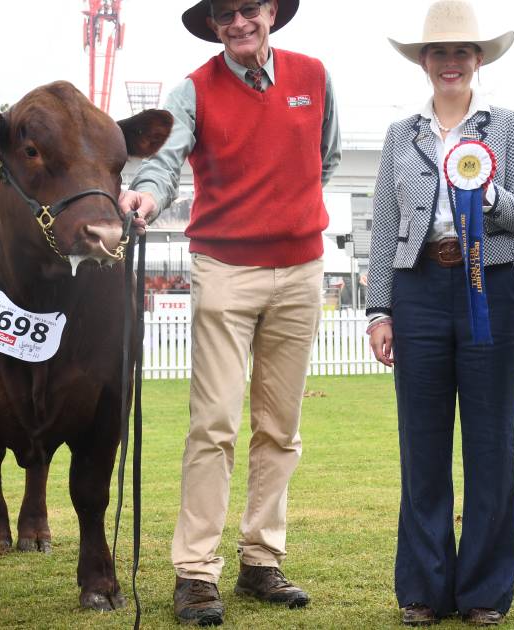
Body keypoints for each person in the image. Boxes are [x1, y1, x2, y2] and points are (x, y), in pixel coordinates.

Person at [117, 0, 340, 624]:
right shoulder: (192, 90)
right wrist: (147, 197)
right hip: (224, 269)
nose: (238, 23)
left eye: (249, 9)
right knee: (213, 422)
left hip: (300, 270)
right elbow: (164, 162)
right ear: (213, 26)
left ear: (271, 11)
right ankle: (195, 572)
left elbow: (324, 160)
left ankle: (261, 561)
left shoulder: (315, 77)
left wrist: (287, 207)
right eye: (224, 16)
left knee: (280, 427)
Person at [366, 1, 514, 624]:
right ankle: (423, 589)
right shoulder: (399, 134)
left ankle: (485, 592)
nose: (450, 62)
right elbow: (385, 224)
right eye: (439, 52)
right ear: (423, 61)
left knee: (492, 444)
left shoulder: (507, 126)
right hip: (418, 290)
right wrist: (378, 309)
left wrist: (486, 191)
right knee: (422, 443)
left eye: (462, 52)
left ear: (479, 59)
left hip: (488, 283)